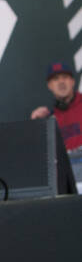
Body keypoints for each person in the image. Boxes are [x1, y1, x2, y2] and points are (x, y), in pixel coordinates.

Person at [31, 60, 82, 190]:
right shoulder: (49, 118)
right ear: (49, 85)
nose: (61, 82)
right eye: (55, 79)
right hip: (66, 174)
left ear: (72, 81)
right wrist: (36, 125)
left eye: (65, 77)